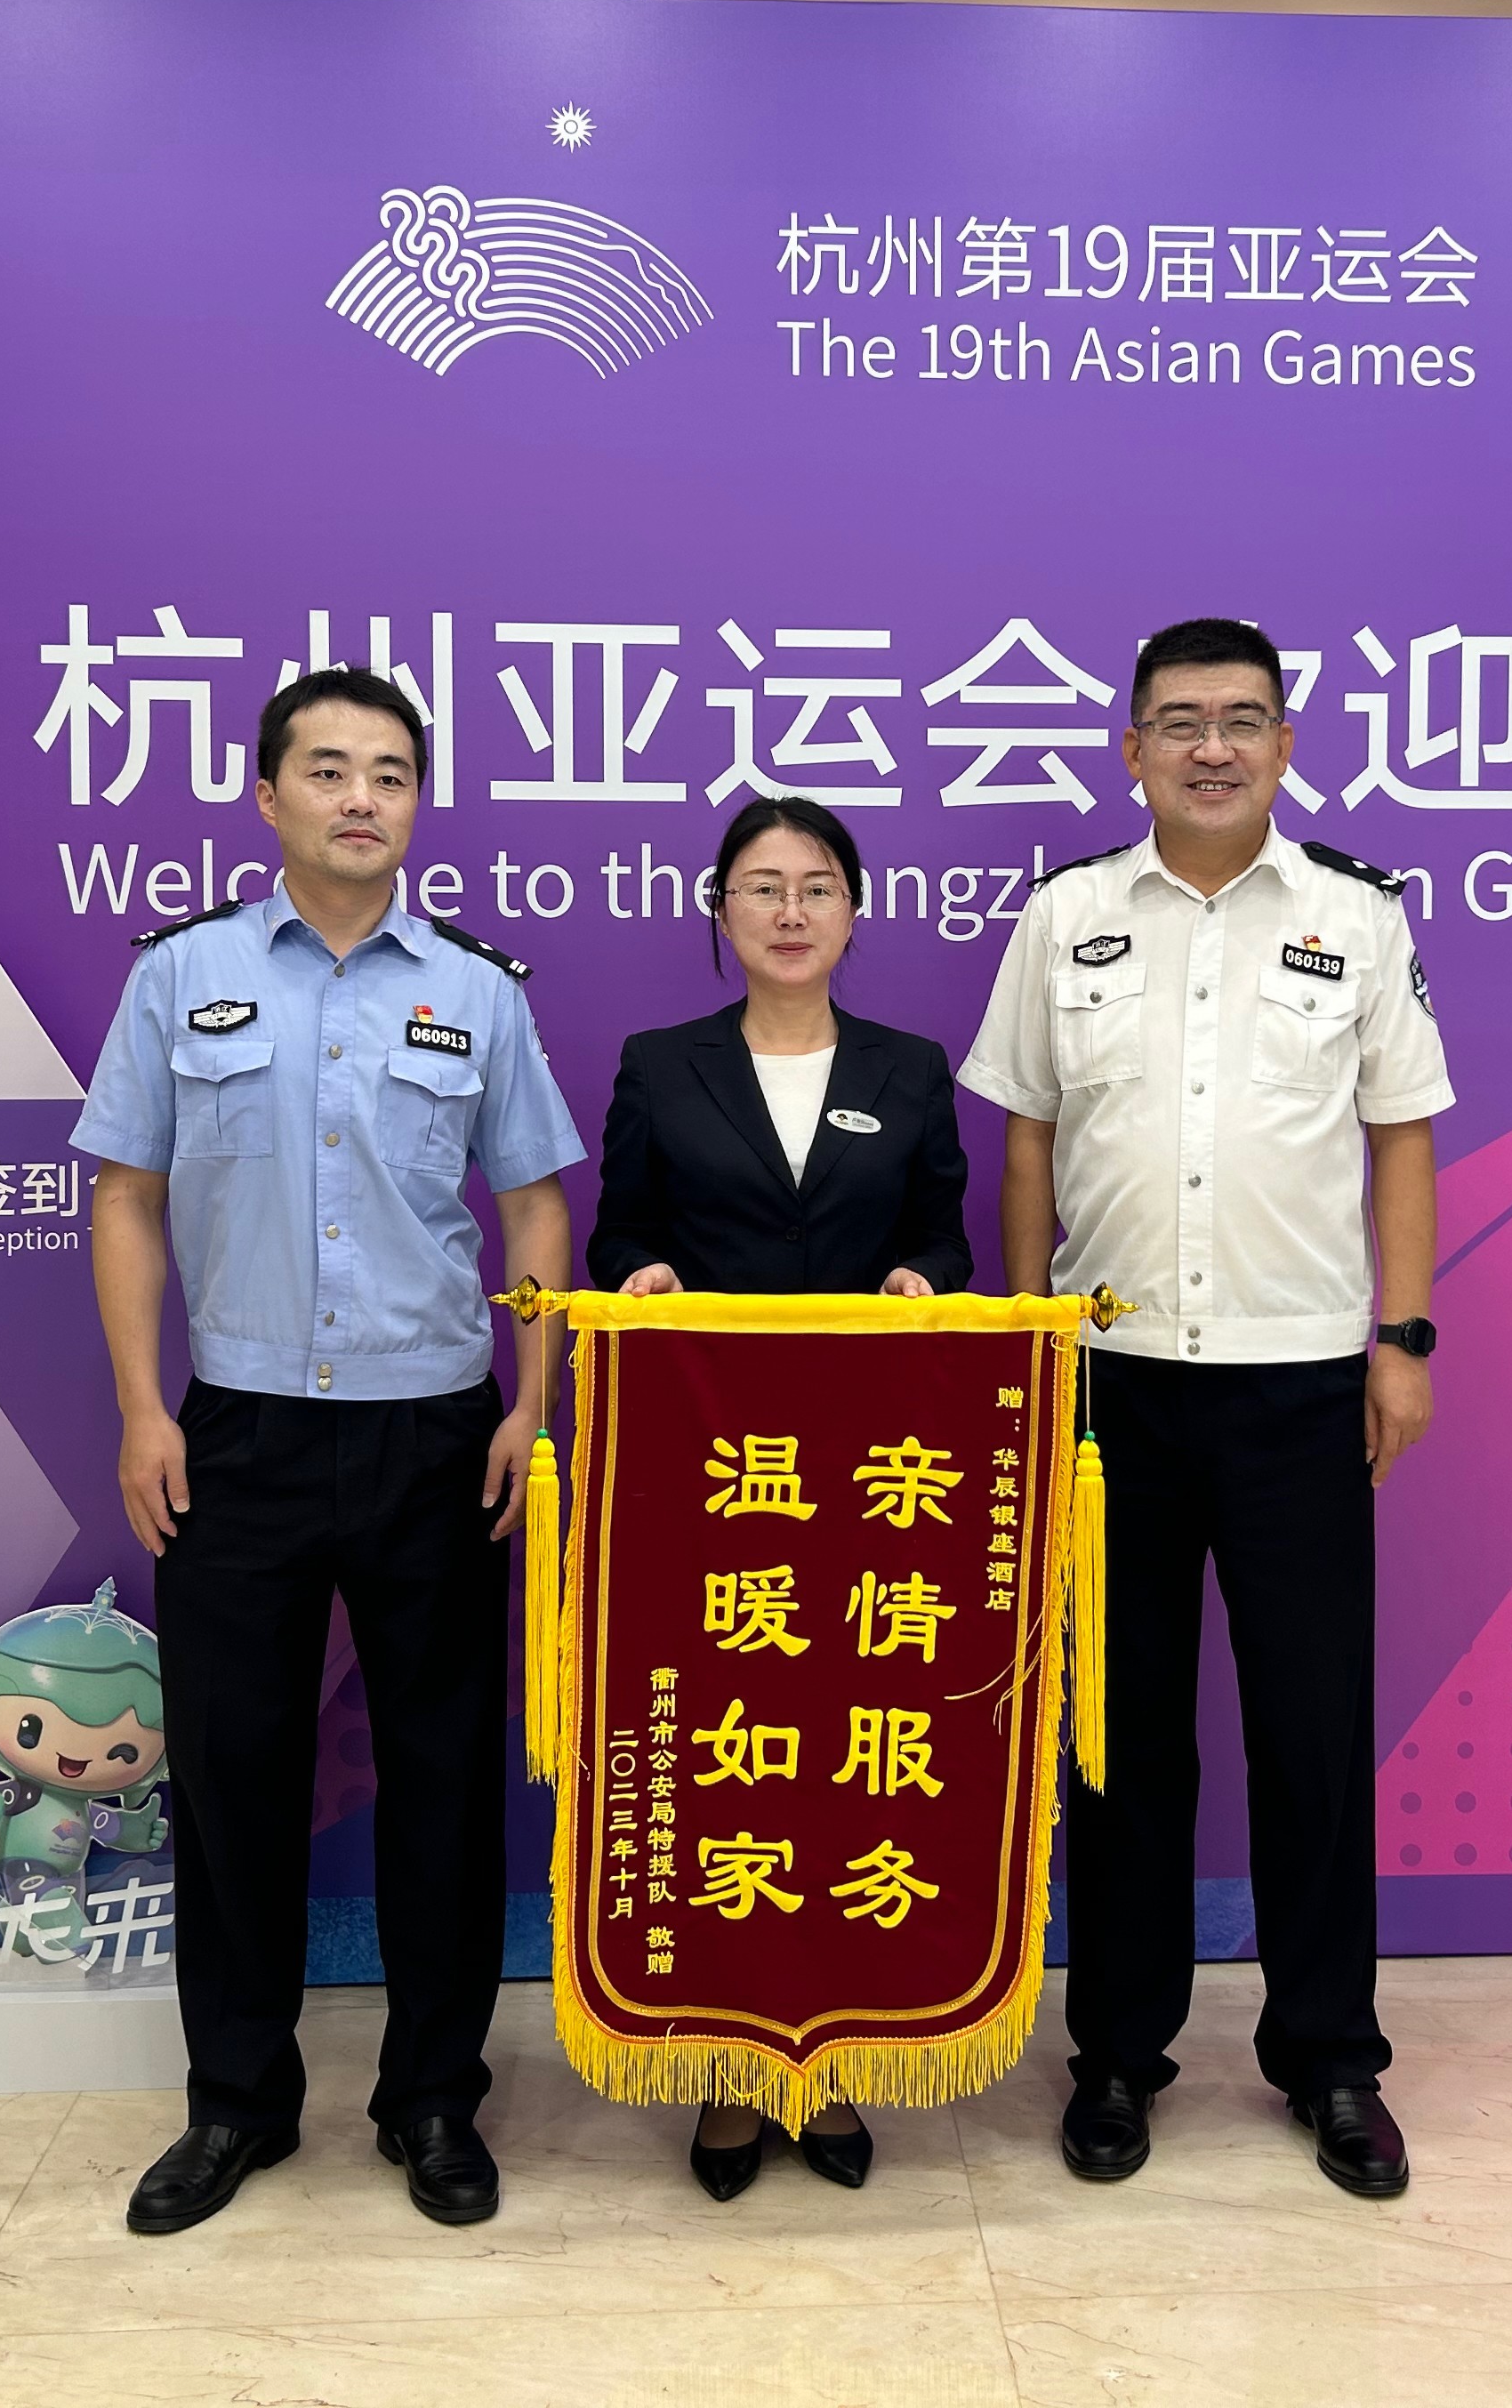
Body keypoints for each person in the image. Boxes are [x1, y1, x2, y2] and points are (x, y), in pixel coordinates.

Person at [72, 664, 582, 2236]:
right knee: (234, 1776)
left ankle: (433, 2097)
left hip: (437, 1432)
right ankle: (237, 2102)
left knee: (444, 1777)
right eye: (330, 769)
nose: (363, 798)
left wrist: (531, 1404)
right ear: (267, 793)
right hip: (238, 1431)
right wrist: (144, 1408)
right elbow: (126, 1195)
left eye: (392, 774)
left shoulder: (477, 991)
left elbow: (536, 1206)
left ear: (417, 803)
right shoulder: (183, 976)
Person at [959, 615, 1451, 2203]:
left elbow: (1401, 1133)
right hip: (1112, 1392)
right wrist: (1034, 1341)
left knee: (1311, 1734)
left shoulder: (1357, 918)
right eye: (1180, 722)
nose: (1213, 748)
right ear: (1132, 750)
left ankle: (1331, 2058)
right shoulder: (1068, 916)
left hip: (1299, 1384)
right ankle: (1117, 2053)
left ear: (1286, 746)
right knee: (1121, 1743)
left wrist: (1402, 1337)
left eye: (1242, 720)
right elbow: (1027, 1140)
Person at [585, 794, 973, 2199]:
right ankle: (729, 2072)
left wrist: (927, 1279)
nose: (792, 911)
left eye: (817, 886)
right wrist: (639, 1274)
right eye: (763, 886)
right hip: (714, 1480)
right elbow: (620, 1229)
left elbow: (944, 1234)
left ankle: (834, 2057)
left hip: (870, 1485)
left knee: (843, 1767)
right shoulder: (661, 1063)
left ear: (854, 913)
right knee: (725, 1762)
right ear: (723, 912)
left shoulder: (910, 1068)